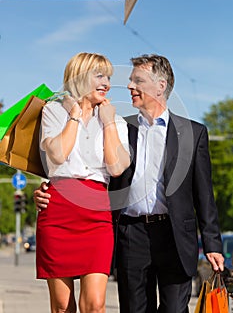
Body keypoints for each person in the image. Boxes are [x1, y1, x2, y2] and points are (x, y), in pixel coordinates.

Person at [35, 54, 224, 313]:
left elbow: (204, 194)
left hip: (175, 236)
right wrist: (48, 188)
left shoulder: (192, 132)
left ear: (161, 85)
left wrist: (213, 245)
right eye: (130, 79)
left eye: (138, 80)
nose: (129, 86)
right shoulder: (126, 127)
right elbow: (77, 166)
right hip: (131, 234)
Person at [35, 51, 130, 313]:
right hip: (58, 213)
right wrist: (75, 115)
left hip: (96, 213)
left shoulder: (116, 120)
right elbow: (57, 154)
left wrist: (108, 122)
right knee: (63, 306)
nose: (106, 83)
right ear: (79, 78)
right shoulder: (53, 111)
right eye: (99, 75)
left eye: (108, 77)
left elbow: (117, 166)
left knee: (95, 305)